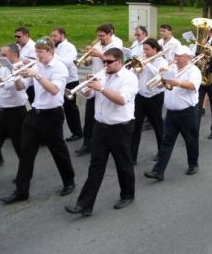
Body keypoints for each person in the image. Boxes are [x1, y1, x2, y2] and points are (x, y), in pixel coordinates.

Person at [1, 37, 76, 205]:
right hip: (34, 113)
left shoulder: (59, 68)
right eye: (36, 51)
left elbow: (54, 90)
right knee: (26, 152)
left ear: (50, 51)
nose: (37, 55)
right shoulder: (36, 65)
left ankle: (69, 181)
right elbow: (21, 87)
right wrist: (17, 75)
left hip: (52, 114)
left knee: (58, 151)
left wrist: (38, 75)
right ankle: (21, 191)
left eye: (40, 52)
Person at [65, 47, 138, 216]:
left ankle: (127, 194)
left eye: (109, 62)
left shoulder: (129, 78)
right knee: (95, 167)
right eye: (104, 61)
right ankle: (84, 205)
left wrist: (101, 88)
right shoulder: (103, 75)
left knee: (123, 164)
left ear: (119, 61)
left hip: (120, 127)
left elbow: (121, 100)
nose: (105, 65)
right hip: (100, 127)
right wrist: (88, 87)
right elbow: (89, 96)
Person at [144, 46, 202, 181]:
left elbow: (193, 85)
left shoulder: (194, 70)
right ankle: (158, 171)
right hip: (171, 112)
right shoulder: (171, 69)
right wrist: (162, 78)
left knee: (191, 139)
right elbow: (160, 86)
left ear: (188, 57)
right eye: (175, 55)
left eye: (180, 56)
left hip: (187, 112)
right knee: (166, 141)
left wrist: (178, 82)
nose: (176, 58)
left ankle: (193, 164)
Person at [75, 24, 123, 157]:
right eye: (98, 35)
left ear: (110, 34)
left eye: (102, 35)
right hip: (94, 80)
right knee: (89, 114)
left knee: (106, 114)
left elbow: (113, 61)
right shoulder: (97, 45)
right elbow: (88, 64)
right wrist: (87, 57)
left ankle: (109, 145)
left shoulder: (117, 43)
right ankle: (87, 143)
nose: (99, 38)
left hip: (108, 82)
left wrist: (100, 54)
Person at [0, 44, 28, 183]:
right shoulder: (3, 67)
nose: (1, 58)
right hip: (0, 112)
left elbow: (7, 86)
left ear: (14, 54)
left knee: (19, 146)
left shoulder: (21, 68)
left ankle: (24, 175)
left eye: (4, 55)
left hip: (15, 112)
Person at [130, 38, 168, 165]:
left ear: (155, 49)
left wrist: (146, 63)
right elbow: (134, 75)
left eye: (147, 49)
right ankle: (132, 156)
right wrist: (134, 67)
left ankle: (162, 153)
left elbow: (160, 75)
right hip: (140, 97)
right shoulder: (142, 59)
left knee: (158, 126)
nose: (144, 52)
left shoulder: (162, 61)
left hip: (154, 97)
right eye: (143, 49)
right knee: (135, 127)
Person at [51, 27, 83, 142]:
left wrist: (53, 54)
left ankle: (77, 132)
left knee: (70, 109)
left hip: (70, 81)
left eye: (55, 36)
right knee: (57, 107)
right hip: (58, 80)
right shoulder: (55, 47)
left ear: (62, 35)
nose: (53, 38)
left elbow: (68, 63)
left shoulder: (70, 47)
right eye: (52, 36)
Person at [15, 27, 36, 104]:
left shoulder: (33, 47)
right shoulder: (18, 46)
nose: (17, 39)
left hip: (31, 80)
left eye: (19, 37)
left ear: (26, 35)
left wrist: (18, 61)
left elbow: (33, 63)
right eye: (15, 37)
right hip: (22, 78)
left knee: (34, 103)